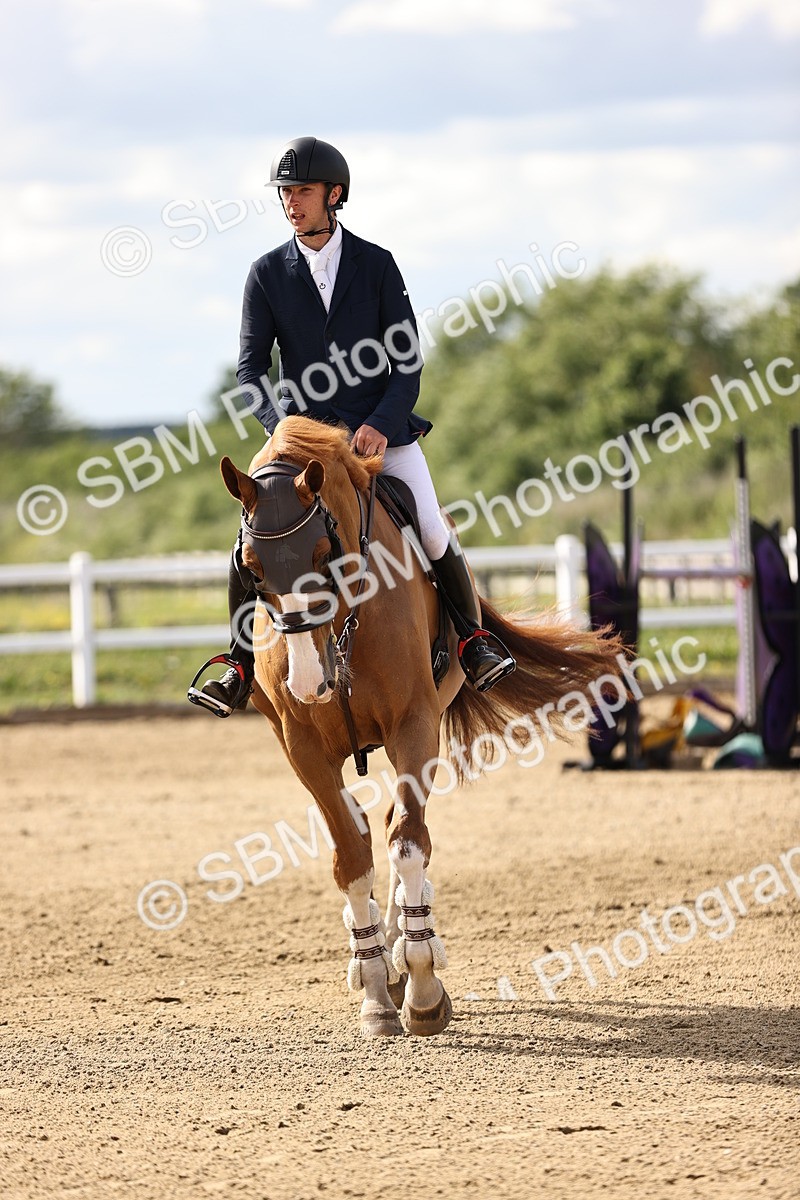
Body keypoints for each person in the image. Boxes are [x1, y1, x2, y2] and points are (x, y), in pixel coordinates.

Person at [197, 136, 515, 715]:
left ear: (334, 195)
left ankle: (473, 641)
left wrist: (382, 423)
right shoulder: (266, 273)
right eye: (286, 193)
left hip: (378, 439)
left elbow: (407, 360)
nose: (292, 202)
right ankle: (238, 664)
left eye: (303, 191)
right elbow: (250, 369)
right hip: (303, 446)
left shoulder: (375, 264)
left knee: (432, 529)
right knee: (248, 544)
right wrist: (283, 426)